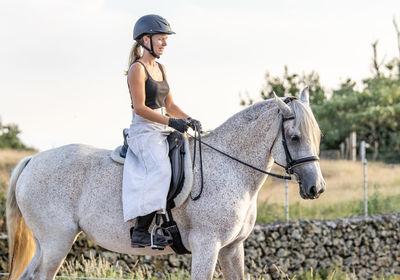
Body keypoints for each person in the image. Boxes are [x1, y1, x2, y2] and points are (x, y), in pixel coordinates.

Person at [122, 14, 201, 248]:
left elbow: (170, 106)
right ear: (146, 39)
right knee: (161, 169)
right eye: (161, 39)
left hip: (161, 126)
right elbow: (140, 108)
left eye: (166, 40)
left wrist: (187, 118)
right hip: (144, 130)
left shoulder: (161, 68)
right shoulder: (137, 69)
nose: (165, 44)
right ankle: (141, 230)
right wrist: (170, 123)